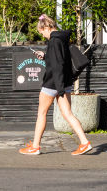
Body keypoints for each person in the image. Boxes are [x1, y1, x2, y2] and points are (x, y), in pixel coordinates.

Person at [19, 15, 93, 156]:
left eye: (42, 32)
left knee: (41, 113)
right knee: (68, 114)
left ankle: (35, 147)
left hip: (53, 83)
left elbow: (58, 65)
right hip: (64, 82)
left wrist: (59, 88)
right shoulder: (62, 38)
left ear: (46, 27)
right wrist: (45, 56)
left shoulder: (54, 41)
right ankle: (84, 143)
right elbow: (60, 60)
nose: (43, 35)